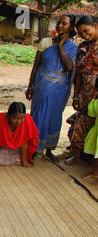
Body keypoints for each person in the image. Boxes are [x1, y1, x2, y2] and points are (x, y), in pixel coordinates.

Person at [26, 14, 78, 162]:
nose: (60, 26)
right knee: (37, 115)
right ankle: (33, 148)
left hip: (58, 89)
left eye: (64, 23)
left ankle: (48, 150)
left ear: (71, 27)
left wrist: (61, 46)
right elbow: (36, 65)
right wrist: (30, 86)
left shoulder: (73, 47)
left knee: (53, 117)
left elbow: (69, 67)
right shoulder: (45, 42)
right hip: (41, 86)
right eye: (59, 23)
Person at [66, 15, 98, 165]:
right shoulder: (83, 47)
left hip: (96, 93)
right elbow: (78, 73)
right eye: (81, 34)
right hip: (85, 92)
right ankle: (77, 156)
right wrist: (76, 96)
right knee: (81, 122)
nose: (84, 35)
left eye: (86, 31)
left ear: (95, 26)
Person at [0, 102, 39, 167]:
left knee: (24, 141)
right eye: (15, 118)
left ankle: (25, 162)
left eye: (21, 119)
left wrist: (26, 160)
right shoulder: (0, 118)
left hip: (19, 151)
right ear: (8, 116)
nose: (18, 121)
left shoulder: (27, 119)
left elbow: (30, 139)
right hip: (2, 148)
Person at [83, 79, 98, 179]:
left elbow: (91, 116)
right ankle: (95, 173)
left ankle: (95, 172)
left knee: (97, 155)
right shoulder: (95, 102)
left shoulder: (95, 102)